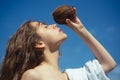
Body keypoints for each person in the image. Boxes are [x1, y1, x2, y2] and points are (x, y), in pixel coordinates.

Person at [0, 8, 116, 80]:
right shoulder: (33, 76)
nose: (54, 25)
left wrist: (80, 29)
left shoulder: (73, 76)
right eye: (44, 26)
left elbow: (108, 64)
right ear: (38, 43)